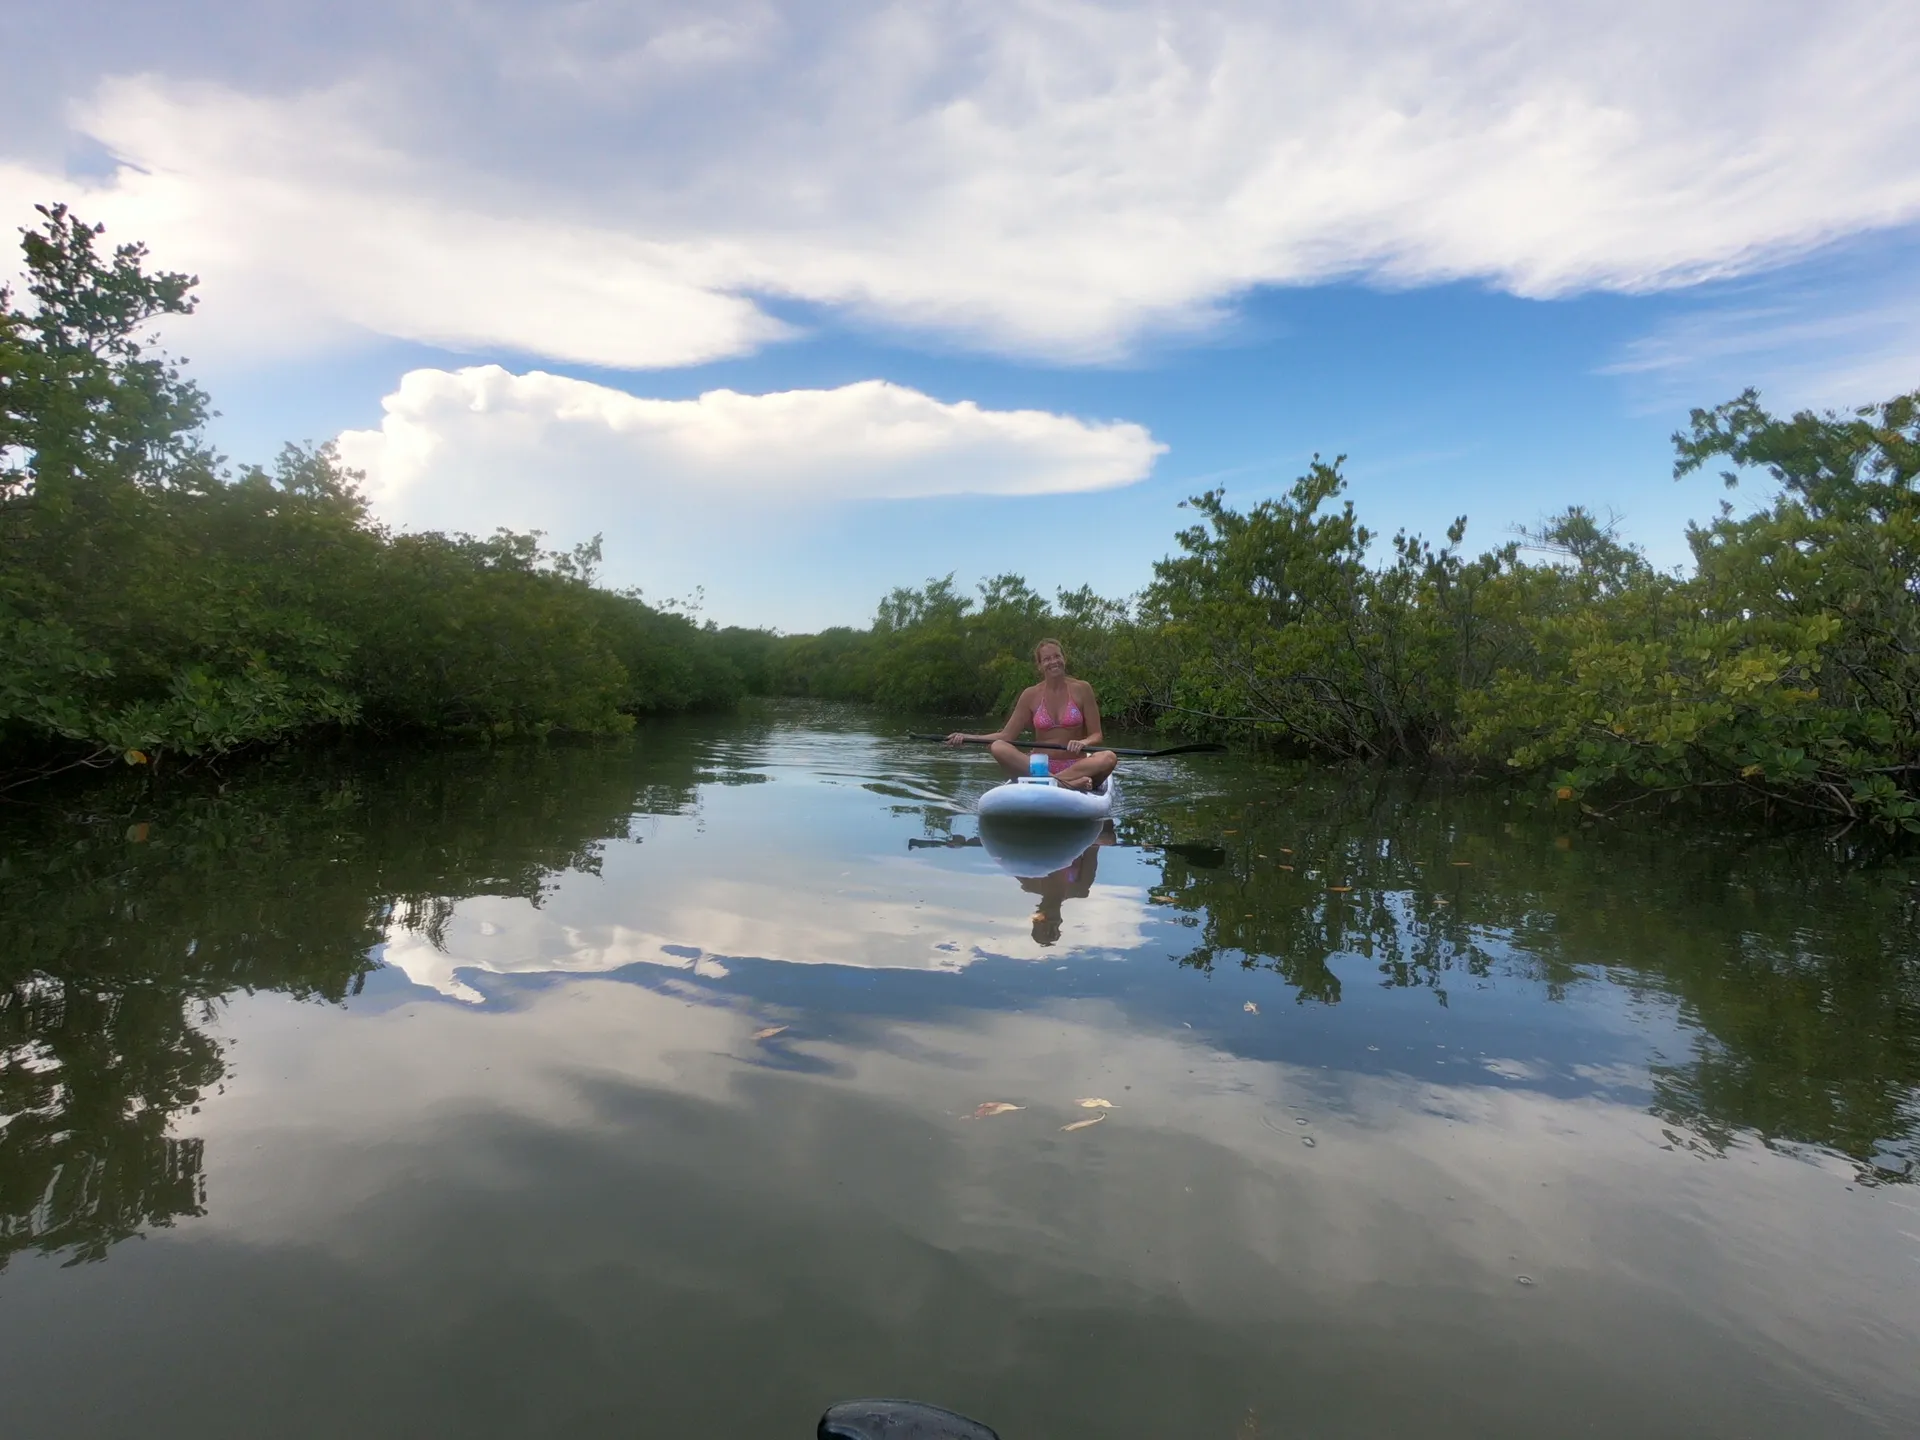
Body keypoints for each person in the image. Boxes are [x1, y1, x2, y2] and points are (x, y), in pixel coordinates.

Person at [945, 638, 1118, 793]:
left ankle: (1055, 783)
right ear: (1039, 665)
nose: (1053, 662)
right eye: (1047, 659)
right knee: (998, 746)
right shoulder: (1030, 694)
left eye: (1057, 656)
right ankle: (1064, 784)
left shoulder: (1082, 689)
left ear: (1064, 659)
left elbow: (1097, 735)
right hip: (1038, 767)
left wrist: (1083, 742)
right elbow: (1007, 736)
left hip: (1077, 766)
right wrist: (967, 737)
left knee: (1109, 757)